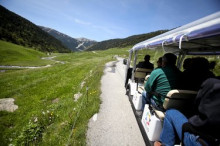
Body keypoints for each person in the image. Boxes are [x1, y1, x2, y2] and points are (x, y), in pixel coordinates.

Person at [154, 78, 220, 146]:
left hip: (199, 141)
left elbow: (197, 104)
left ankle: (165, 144)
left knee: (170, 112)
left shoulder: (212, 82)